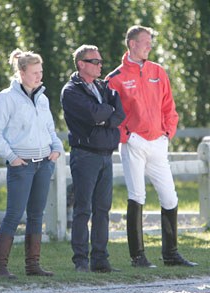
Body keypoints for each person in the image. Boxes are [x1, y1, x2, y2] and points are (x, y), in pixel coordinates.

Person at [106, 25, 197, 268]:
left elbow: (170, 108)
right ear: (132, 44)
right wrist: (127, 136)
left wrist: (167, 133)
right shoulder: (114, 78)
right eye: (146, 42)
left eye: (150, 42)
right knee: (137, 196)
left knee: (170, 196)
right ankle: (138, 257)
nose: (150, 46)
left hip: (158, 143)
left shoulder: (159, 71)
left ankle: (171, 254)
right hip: (133, 145)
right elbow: (111, 117)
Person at [0, 48, 63, 279]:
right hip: (21, 166)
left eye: (41, 72)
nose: (39, 77)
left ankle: (33, 266)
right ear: (21, 72)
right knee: (14, 215)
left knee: (36, 215)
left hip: (43, 165)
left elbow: (49, 129)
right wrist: (12, 157)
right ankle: (0, 268)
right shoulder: (5, 98)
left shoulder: (42, 98)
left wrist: (57, 148)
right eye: (34, 73)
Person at [61, 45, 125, 272]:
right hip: (86, 156)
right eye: (95, 61)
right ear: (81, 64)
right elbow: (93, 114)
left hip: (106, 155)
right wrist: (104, 113)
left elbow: (119, 114)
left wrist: (103, 115)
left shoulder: (102, 86)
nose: (100, 65)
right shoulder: (71, 91)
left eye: (100, 61)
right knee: (83, 209)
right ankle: (81, 261)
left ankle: (100, 260)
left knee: (102, 210)